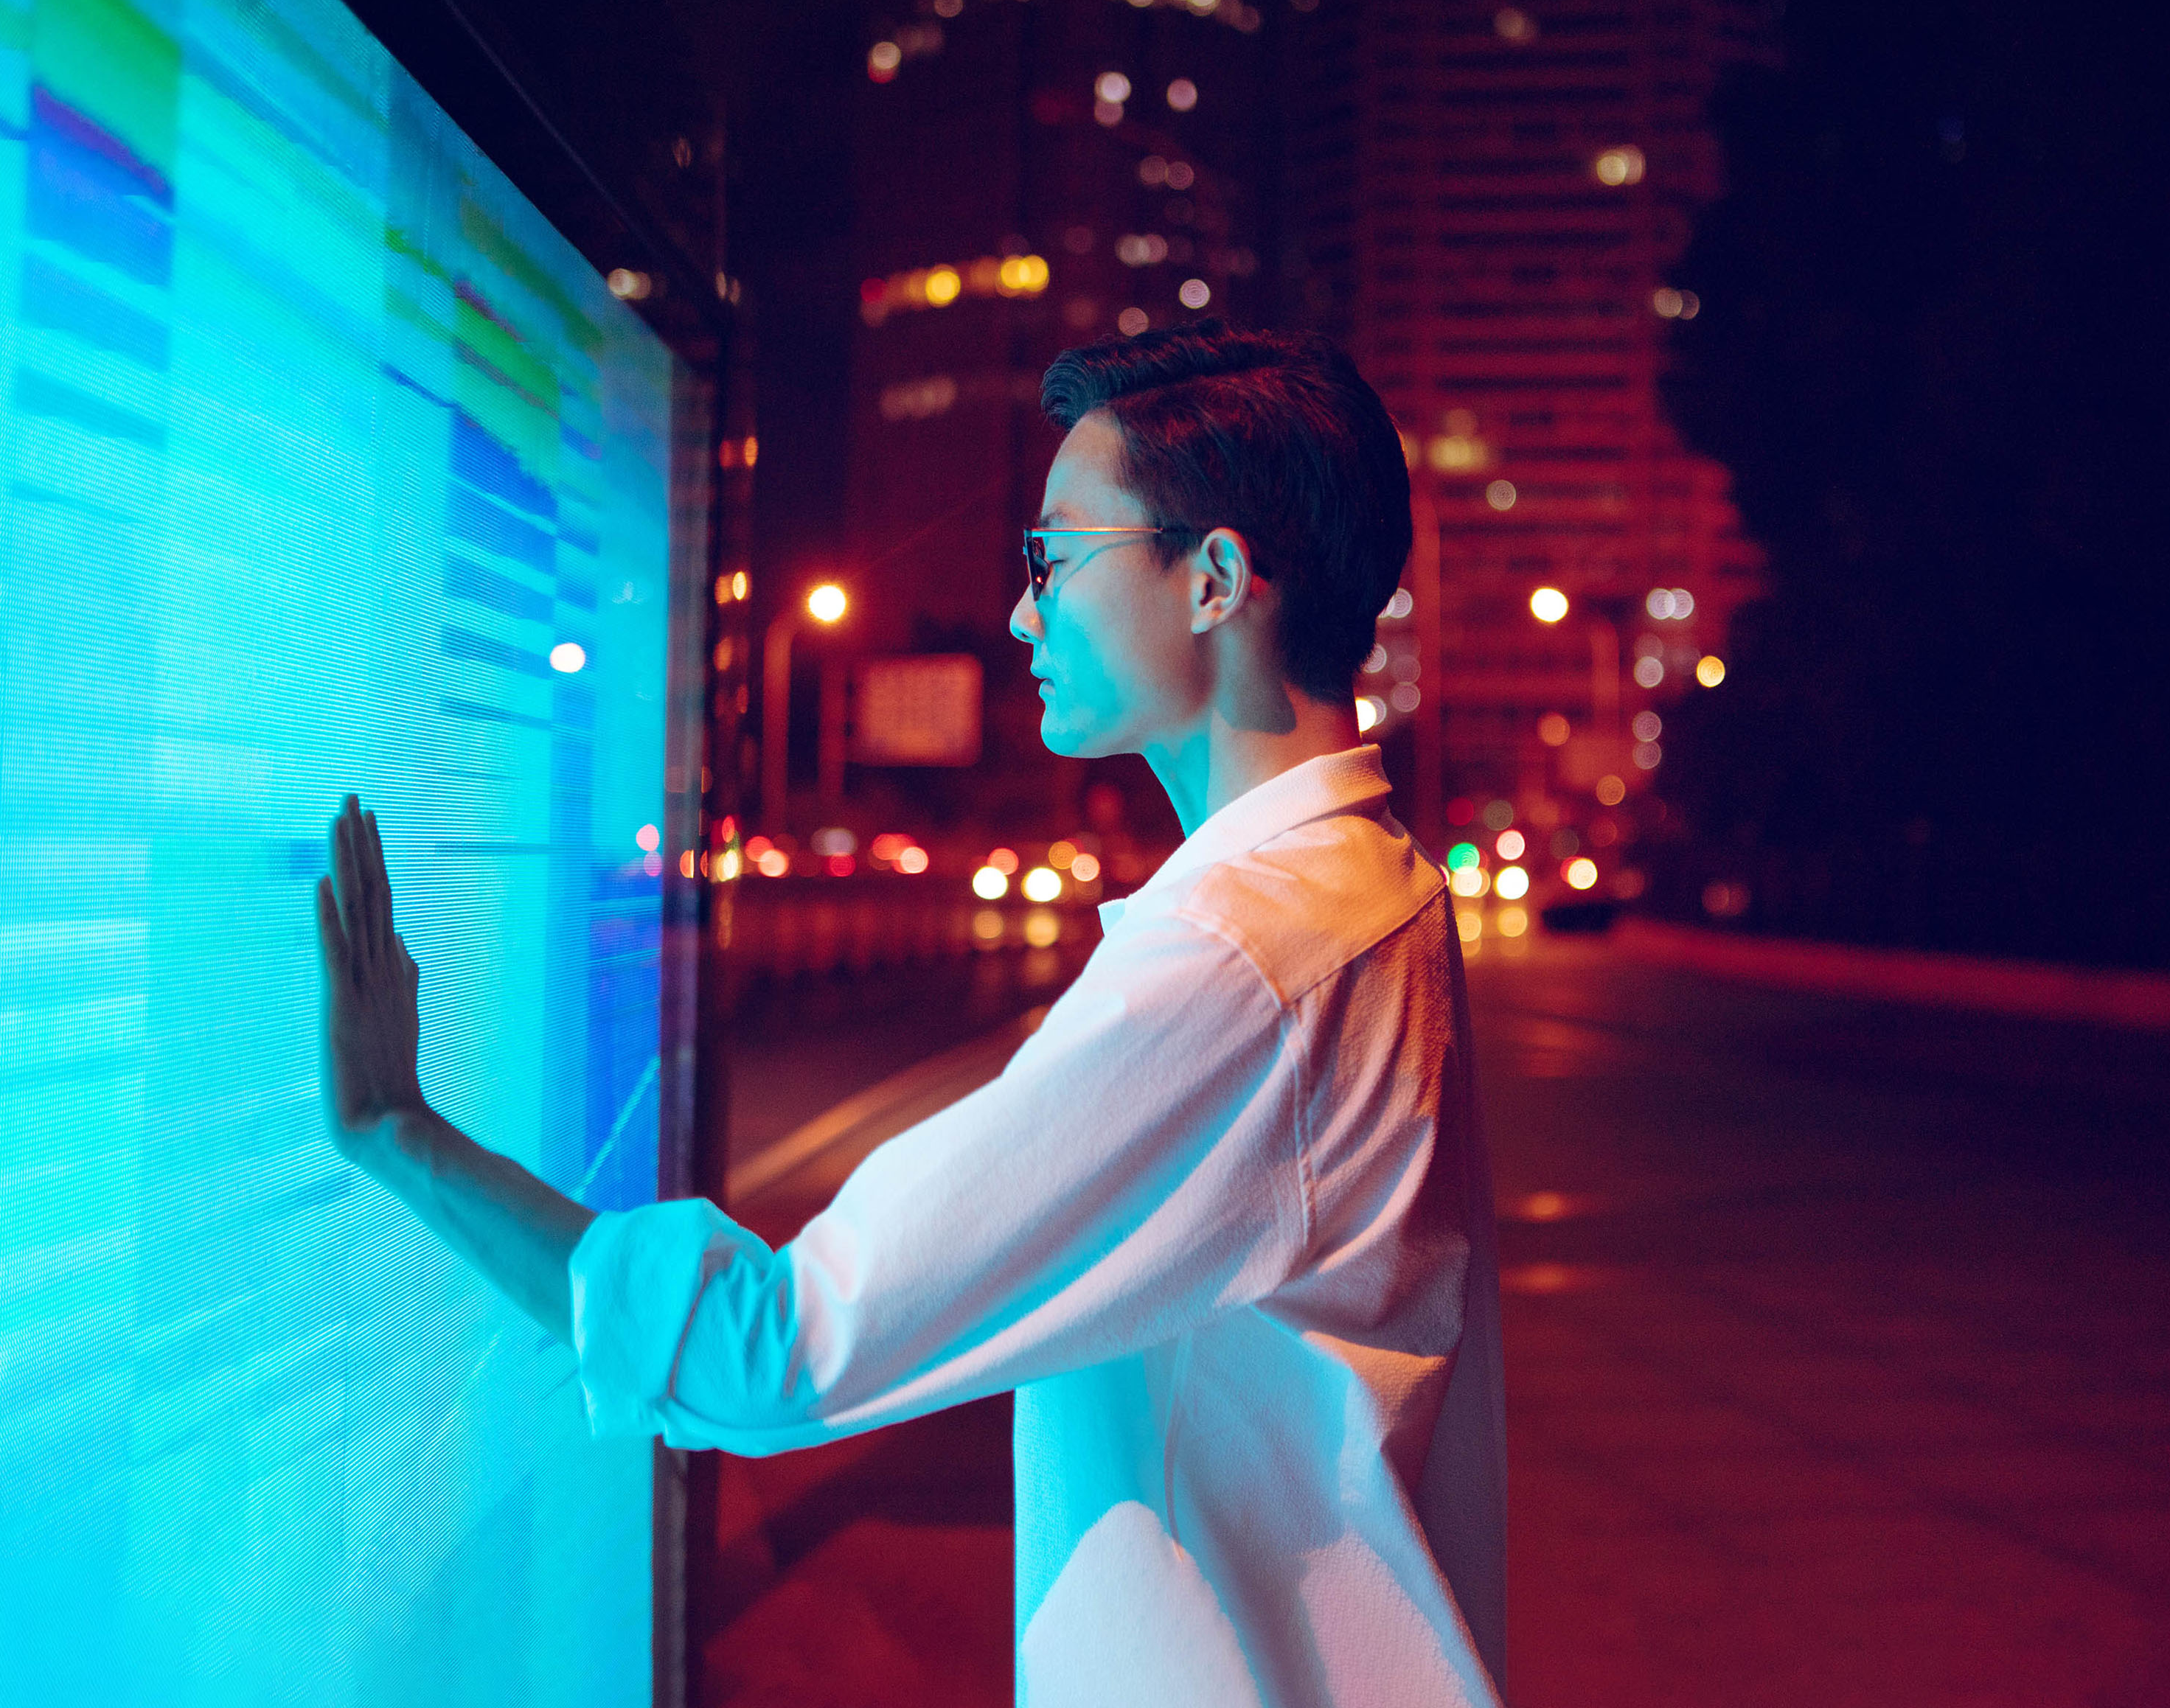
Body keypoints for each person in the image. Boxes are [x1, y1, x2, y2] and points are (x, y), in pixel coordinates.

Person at [316, 322, 1506, 1705]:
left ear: (1217, 579)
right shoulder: (1381, 890)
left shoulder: (1240, 956)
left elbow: (768, 1350)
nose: (1021, 614)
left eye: (1056, 558)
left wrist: (399, 1130)